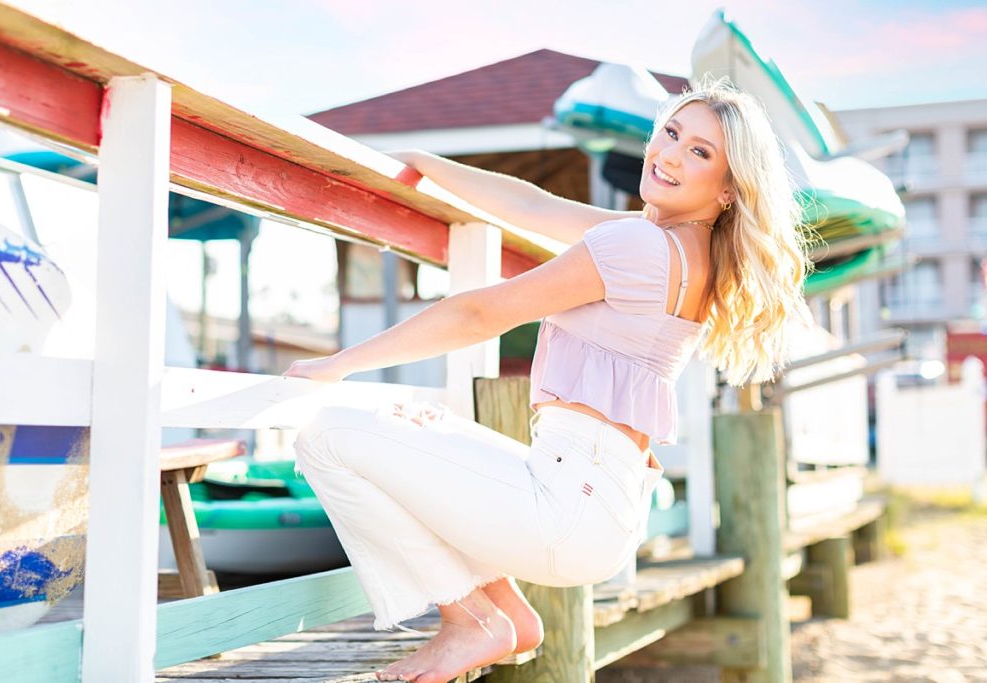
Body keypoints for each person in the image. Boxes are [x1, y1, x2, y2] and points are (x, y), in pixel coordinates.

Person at [282, 77, 817, 683]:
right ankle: (506, 612)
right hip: (598, 508)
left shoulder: (641, 245)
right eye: (671, 132)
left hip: (566, 504)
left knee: (324, 433)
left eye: (699, 152)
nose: (668, 154)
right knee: (421, 427)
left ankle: (469, 621)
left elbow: (481, 312)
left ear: (727, 189)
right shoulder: (686, 251)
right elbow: (534, 209)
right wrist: (430, 165)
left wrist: (339, 363)